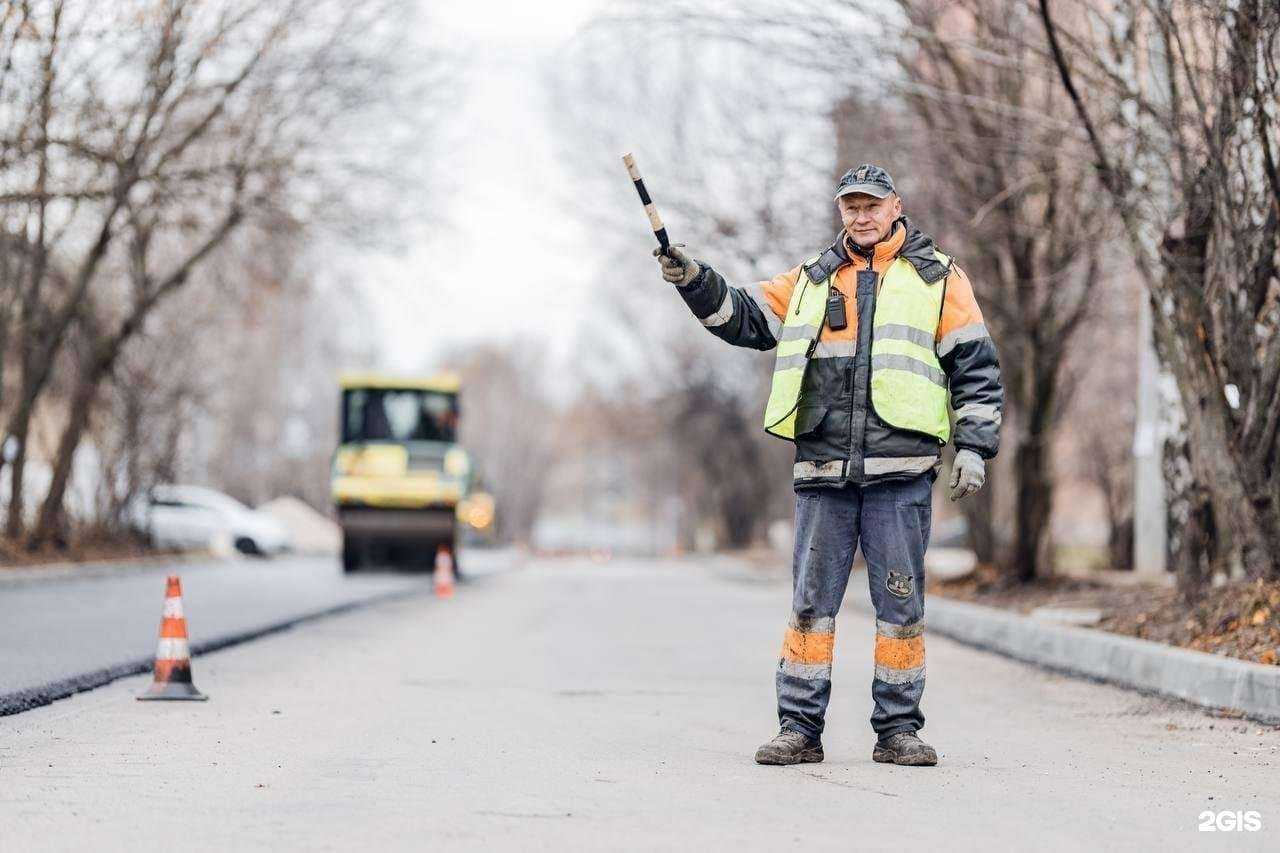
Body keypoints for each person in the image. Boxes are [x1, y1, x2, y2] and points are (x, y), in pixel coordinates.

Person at [654, 164, 1003, 767]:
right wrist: (694, 279)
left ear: (895, 207)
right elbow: (743, 318)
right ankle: (799, 729)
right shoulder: (812, 279)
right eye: (851, 207)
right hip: (823, 471)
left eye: (871, 206)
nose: (861, 217)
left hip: (902, 472)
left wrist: (975, 447)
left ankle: (898, 731)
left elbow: (976, 368)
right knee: (810, 610)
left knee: (899, 609)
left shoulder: (940, 278)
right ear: (841, 212)